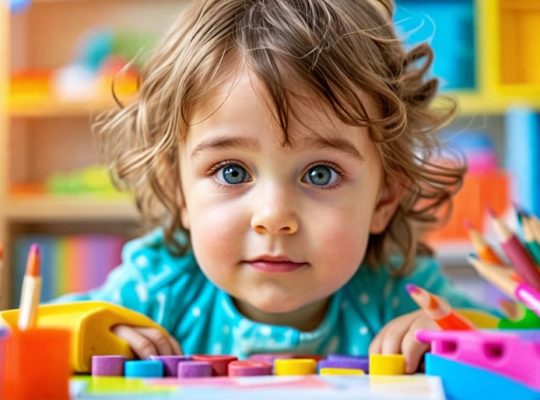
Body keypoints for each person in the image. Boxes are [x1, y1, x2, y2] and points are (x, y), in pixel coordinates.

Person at [58, 0, 490, 373]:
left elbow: (518, 341)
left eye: (320, 173)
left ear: (384, 197)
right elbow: (24, 333)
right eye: (232, 171)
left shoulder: (397, 293)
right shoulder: (159, 293)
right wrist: (84, 334)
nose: (274, 217)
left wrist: (459, 336)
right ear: (177, 188)